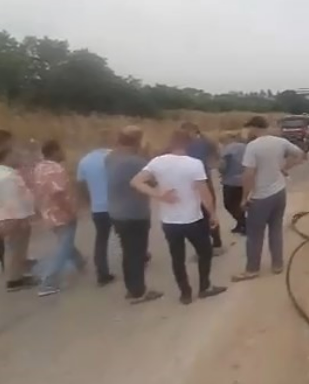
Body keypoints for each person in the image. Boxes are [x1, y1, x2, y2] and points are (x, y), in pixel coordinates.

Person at [131, 130, 227, 305]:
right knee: (205, 252)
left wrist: (158, 194)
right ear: (188, 144)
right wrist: (213, 214)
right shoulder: (194, 164)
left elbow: (136, 182)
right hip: (193, 219)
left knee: (177, 257)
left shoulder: (157, 162)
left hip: (169, 221)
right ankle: (204, 286)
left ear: (170, 143)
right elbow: (204, 193)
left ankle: (185, 293)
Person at [232, 116, 305, 282]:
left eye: (249, 128)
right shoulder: (279, 142)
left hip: (261, 197)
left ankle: (252, 269)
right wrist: (285, 168)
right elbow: (300, 154)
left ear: (254, 127)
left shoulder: (252, 147)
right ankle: (277, 265)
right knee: (275, 229)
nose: (247, 131)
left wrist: (244, 198)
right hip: (279, 193)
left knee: (254, 235)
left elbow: (248, 174)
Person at [106, 126, 163, 304]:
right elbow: (153, 182)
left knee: (128, 252)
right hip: (135, 213)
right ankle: (139, 292)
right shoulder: (137, 162)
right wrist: (147, 155)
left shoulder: (110, 158)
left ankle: (132, 289)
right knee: (137, 253)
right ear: (137, 141)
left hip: (116, 211)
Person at [0, 129, 36, 273]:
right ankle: (9, 265)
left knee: (14, 233)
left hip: (1, 195)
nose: (13, 144)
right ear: (3, 143)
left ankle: (17, 262)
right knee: (8, 233)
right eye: (10, 141)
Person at [33, 140, 86, 297]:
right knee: (64, 245)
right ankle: (48, 282)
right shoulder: (55, 169)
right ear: (54, 151)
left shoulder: (39, 167)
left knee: (65, 241)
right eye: (61, 150)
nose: (64, 153)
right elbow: (59, 193)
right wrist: (70, 210)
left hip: (48, 211)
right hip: (60, 212)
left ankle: (80, 262)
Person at [0, 144, 39, 292]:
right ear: (7, 156)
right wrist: (21, 220)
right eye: (16, 155)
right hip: (13, 217)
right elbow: (13, 201)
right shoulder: (8, 177)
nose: (19, 158)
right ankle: (15, 280)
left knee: (14, 250)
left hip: (2, 215)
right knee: (17, 251)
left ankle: (17, 276)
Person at [76, 131, 116, 286]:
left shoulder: (84, 161)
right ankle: (138, 260)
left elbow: (81, 186)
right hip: (117, 204)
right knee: (128, 237)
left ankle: (102, 273)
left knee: (101, 240)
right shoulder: (113, 157)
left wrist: (89, 201)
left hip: (98, 207)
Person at [182, 122, 224, 254]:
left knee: (208, 211)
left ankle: (216, 242)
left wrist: (212, 164)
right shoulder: (185, 143)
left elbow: (217, 154)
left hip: (204, 180)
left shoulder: (206, 142)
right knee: (196, 214)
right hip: (189, 182)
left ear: (194, 130)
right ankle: (204, 245)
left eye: (186, 131)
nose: (185, 134)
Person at [219, 132, 247, 235]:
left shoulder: (227, 149)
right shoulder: (245, 147)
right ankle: (241, 224)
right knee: (239, 204)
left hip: (230, 181)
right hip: (243, 180)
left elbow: (223, 166)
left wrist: (221, 172)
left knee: (229, 205)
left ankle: (244, 223)